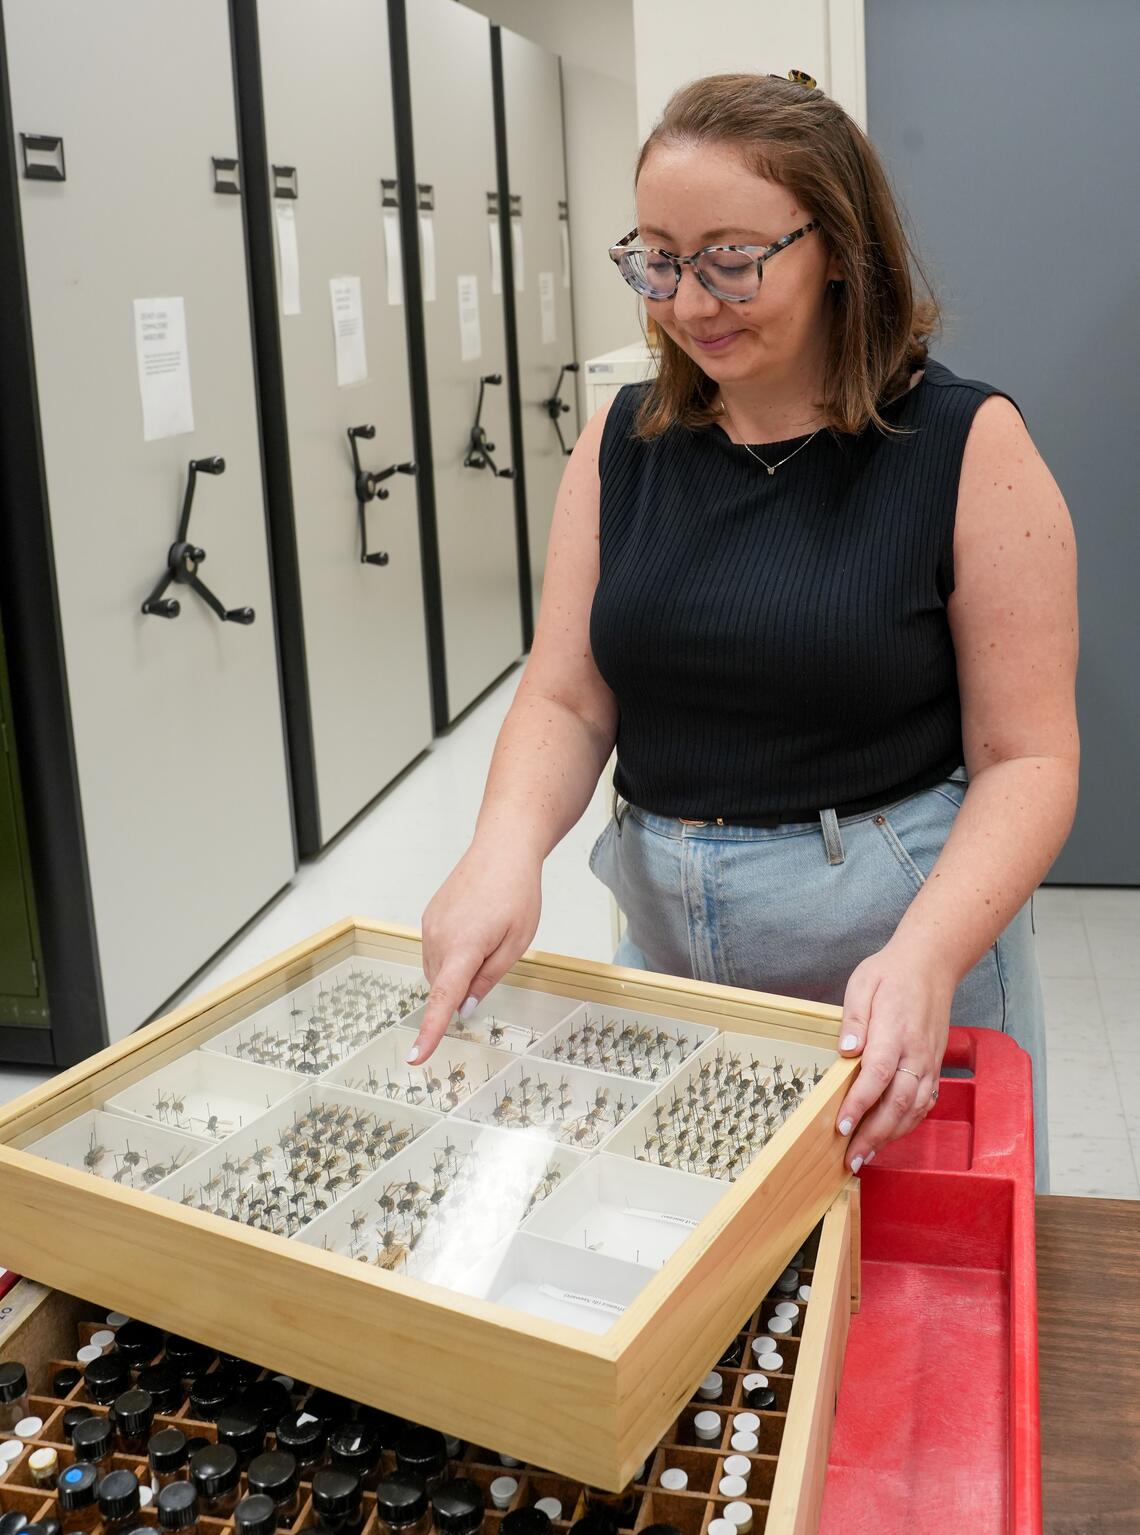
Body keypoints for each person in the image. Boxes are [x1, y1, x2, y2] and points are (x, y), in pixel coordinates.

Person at [411, 71, 1077, 1190]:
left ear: (837, 248)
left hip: (900, 960)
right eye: (658, 260)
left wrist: (927, 954)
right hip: (672, 951)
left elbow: (1029, 757)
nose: (690, 300)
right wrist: (501, 847)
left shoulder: (966, 444)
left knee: (905, 1302)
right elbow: (568, 696)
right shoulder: (621, 443)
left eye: (731, 258)